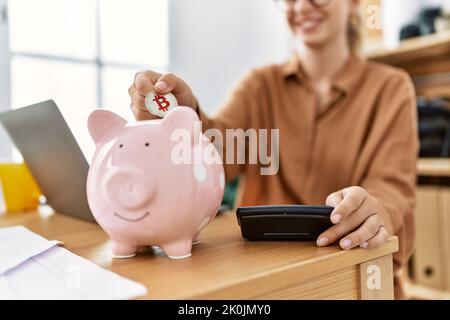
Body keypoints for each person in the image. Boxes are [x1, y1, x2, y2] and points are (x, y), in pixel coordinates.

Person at [128, 0, 418, 299]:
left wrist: (372, 211)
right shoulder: (259, 85)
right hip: (265, 280)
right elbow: (220, 154)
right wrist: (186, 121)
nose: (302, 6)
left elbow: (392, 188)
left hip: (352, 276)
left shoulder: (392, 88)